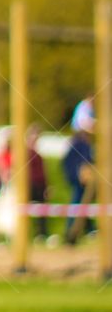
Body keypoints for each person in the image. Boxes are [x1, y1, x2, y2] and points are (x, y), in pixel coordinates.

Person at [63, 94, 95, 244]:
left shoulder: (81, 143)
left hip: (79, 177)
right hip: (78, 178)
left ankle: (80, 231)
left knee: (81, 203)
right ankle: (72, 232)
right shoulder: (79, 143)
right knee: (78, 202)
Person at [26, 123, 49, 240]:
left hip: (40, 185)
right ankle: (26, 235)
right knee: (25, 212)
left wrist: (47, 186)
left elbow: (42, 172)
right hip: (29, 185)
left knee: (42, 211)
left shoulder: (37, 153)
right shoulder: (25, 153)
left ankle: (41, 235)